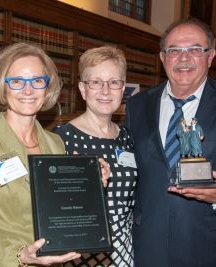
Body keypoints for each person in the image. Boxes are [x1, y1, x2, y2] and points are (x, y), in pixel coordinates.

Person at [0, 43, 110, 267]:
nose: (28, 90)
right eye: (17, 82)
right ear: (3, 86)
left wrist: (89, 186)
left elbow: (57, 208)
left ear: (47, 88)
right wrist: (18, 255)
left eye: (37, 81)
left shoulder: (55, 144)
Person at [126, 17, 216, 267]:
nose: (183, 58)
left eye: (194, 49)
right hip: (148, 244)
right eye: (174, 50)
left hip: (210, 247)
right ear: (162, 58)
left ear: (210, 56)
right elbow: (129, 167)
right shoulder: (138, 105)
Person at [54, 46, 137, 266]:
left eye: (114, 82)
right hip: (82, 253)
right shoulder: (62, 139)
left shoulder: (128, 137)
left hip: (126, 250)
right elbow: (54, 206)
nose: (105, 91)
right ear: (83, 89)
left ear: (123, 88)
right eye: (96, 82)